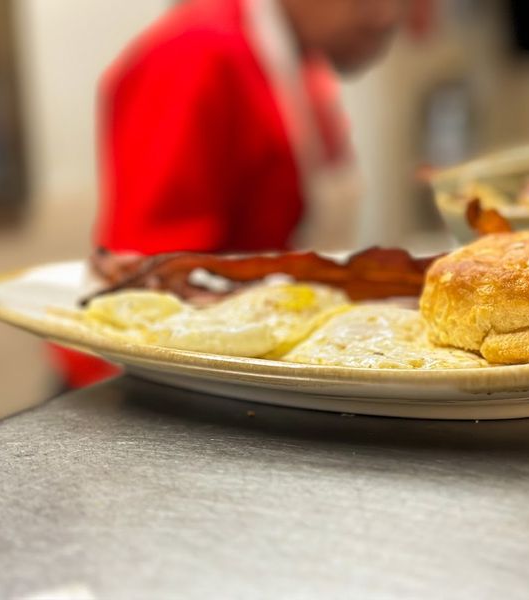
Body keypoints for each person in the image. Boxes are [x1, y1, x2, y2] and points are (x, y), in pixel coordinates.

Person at [49, 0, 411, 390]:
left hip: (229, 365)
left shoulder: (299, 64)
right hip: (138, 382)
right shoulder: (193, 57)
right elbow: (154, 272)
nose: (385, 14)